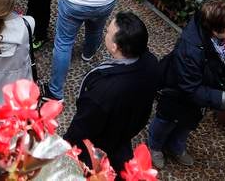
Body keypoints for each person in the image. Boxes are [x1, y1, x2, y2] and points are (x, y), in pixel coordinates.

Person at [148, 0, 225, 168]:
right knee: (166, 121)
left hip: (203, 94)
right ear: (215, 31)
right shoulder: (190, 50)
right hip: (177, 93)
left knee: (189, 122)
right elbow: (190, 89)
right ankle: (155, 147)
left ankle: (177, 147)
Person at [63, 12, 159, 173]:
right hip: (123, 132)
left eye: (107, 32)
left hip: (98, 145)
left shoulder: (103, 92)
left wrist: (66, 145)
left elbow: (82, 127)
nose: (105, 33)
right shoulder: (152, 62)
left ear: (115, 47)